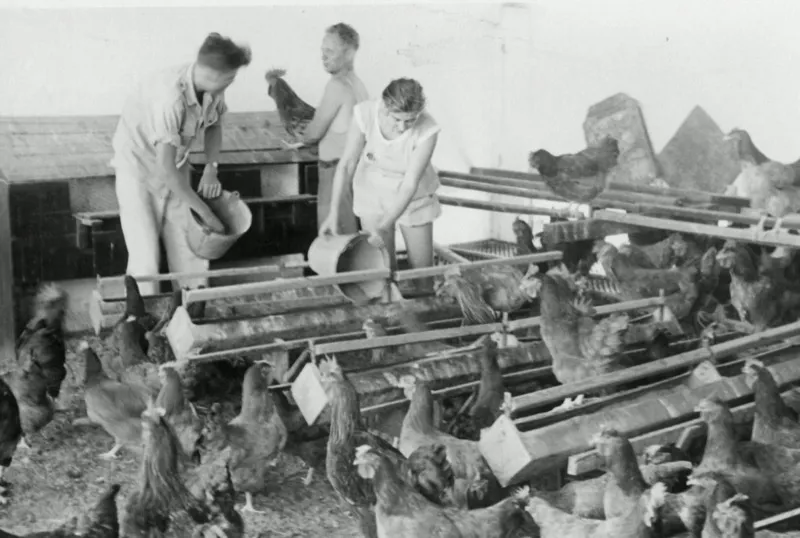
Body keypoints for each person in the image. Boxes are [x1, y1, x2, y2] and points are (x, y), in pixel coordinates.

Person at [110, 32, 251, 296]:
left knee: (191, 248)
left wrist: (211, 168)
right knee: (146, 258)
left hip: (175, 165)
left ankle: (193, 316)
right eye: (230, 77)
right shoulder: (170, 98)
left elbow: (214, 126)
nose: (232, 82)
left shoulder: (213, 89)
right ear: (213, 75)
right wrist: (208, 214)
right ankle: (144, 323)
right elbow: (165, 170)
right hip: (140, 171)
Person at [319, 78, 442, 292]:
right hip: (373, 193)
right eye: (397, 119)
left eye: (410, 120)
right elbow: (347, 165)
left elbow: (409, 183)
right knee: (381, 273)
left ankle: (425, 312)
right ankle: (389, 317)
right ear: (384, 107)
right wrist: (333, 213)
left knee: (423, 276)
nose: (403, 127)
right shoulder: (364, 114)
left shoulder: (428, 129)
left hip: (413, 198)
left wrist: (385, 225)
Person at [296, 23, 369, 235]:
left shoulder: (336, 86)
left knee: (335, 240)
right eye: (322, 51)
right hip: (352, 171)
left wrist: (302, 135)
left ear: (348, 54)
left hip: (335, 172)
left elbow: (313, 133)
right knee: (349, 238)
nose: (323, 56)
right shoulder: (358, 84)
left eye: (330, 51)